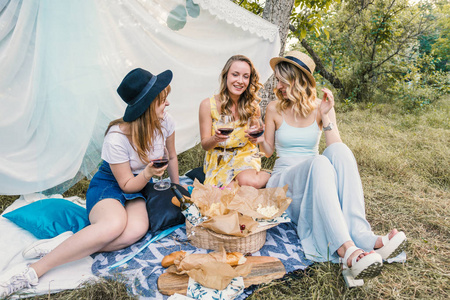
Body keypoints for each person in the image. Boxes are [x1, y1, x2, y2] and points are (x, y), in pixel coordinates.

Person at [0, 68, 180, 297]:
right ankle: (32, 272)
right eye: (162, 101)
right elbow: (125, 184)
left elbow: (172, 156)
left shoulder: (166, 122)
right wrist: (146, 173)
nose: (168, 105)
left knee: (136, 230)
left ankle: (65, 244)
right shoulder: (117, 137)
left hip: (140, 184)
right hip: (112, 183)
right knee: (113, 225)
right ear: (147, 107)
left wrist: (177, 187)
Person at [250, 51, 407, 279]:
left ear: (295, 80)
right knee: (320, 161)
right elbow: (269, 151)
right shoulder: (274, 108)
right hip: (285, 183)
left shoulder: (321, 106)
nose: (278, 85)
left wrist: (326, 117)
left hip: (317, 175)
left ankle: (363, 237)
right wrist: (259, 140)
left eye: (281, 80)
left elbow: (336, 150)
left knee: (339, 151)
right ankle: (347, 250)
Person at [199, 54, 270, 188]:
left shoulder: (253, 107)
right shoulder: (208, 105)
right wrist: (215, 138)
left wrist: (257, 137)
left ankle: (273, 176)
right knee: (228, 191)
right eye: (235, 74)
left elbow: (259, 142)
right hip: (219, 158)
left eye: (245, 76)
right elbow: (205, 145)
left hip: (245, 155)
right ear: (226, 76)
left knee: (248, 182)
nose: (240, 81)